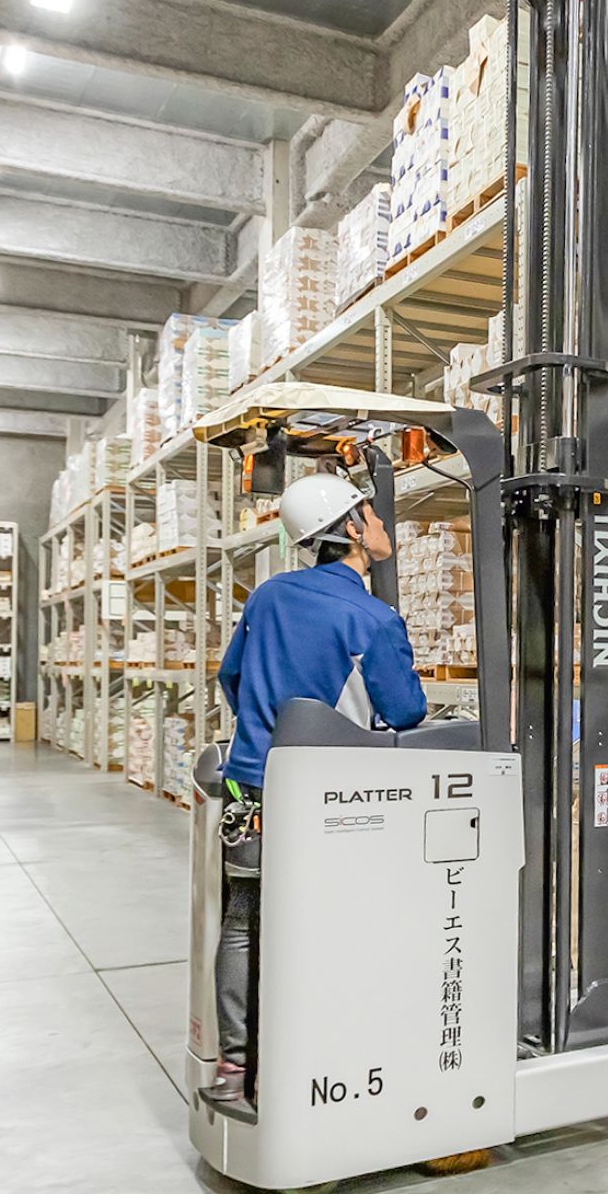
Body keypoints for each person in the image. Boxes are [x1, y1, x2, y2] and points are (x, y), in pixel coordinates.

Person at [203, 471, 428, 1108]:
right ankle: (318, 1064)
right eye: (372, 514)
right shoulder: (373, 618)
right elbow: (406, 711)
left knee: (244, 920)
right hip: (331, 799)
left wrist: (262, 733)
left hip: (251, 787)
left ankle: (235, 1067)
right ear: (352, 530)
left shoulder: (267, 597)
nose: (380, 524)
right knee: (333, 924)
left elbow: (232, 678)